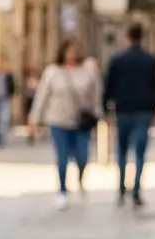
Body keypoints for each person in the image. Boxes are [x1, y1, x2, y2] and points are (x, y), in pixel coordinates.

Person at [27, 38, 101, 210]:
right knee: (62, 157)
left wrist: (98, 112)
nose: (73, 54)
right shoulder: (52, 72)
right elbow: (42, 96)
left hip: (81, 122)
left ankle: (81, 179)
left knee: (83, 156)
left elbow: (96, 93)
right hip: (58, 120)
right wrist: (34, 119)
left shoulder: (87, 71)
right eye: (69, 51)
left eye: (75, 51)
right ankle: (62, 191)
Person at [102, 23, 155, 208]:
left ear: (127, 37)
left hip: (123, 110)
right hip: (143, 111)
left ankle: (121, 187)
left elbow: (109, 86)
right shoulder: (150, 60)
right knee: (139, 152)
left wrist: (106, 107)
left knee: (122, 150)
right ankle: (136, 189)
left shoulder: (117, 59)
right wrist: (154, 107)